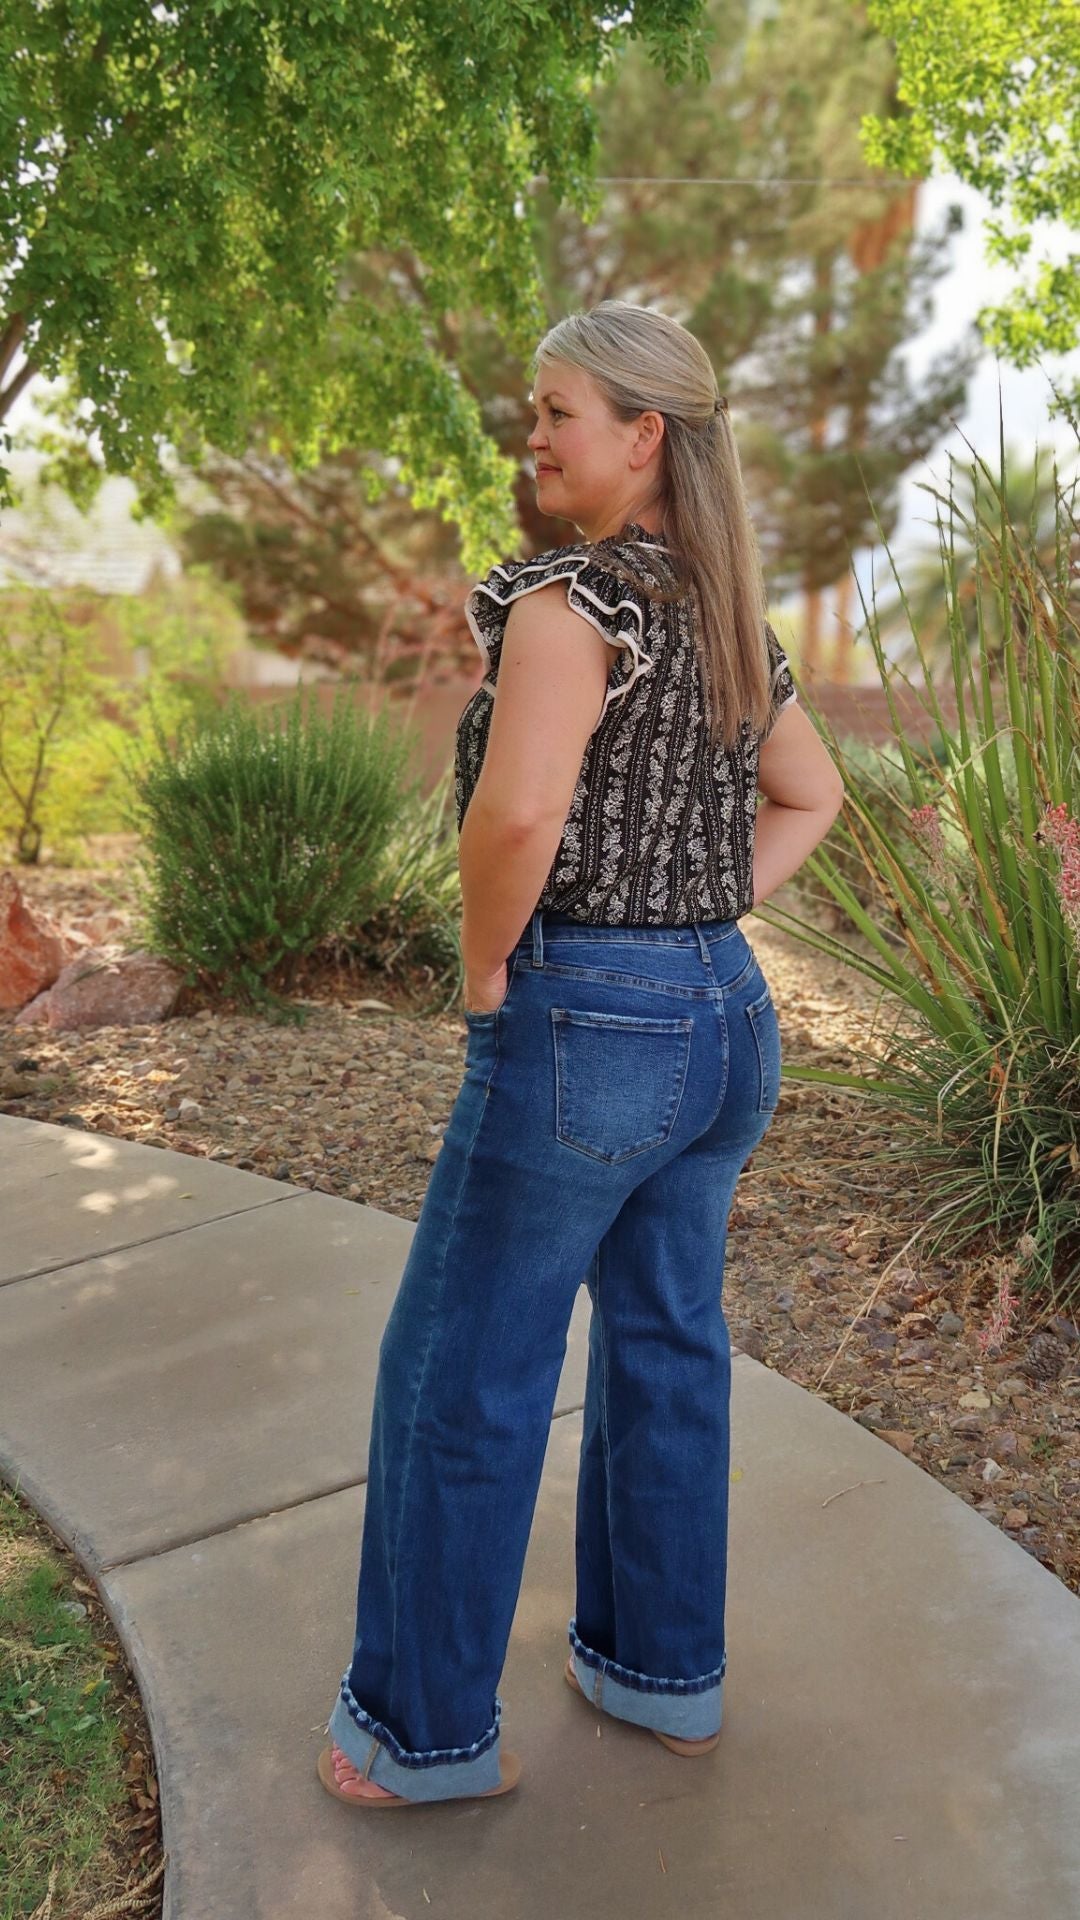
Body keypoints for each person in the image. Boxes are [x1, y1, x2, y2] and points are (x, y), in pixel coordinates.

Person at [318, 299, 845, 1809]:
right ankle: (660, 1678)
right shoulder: (726, 610)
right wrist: (699, 918)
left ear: (644, 436)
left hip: (583, 1024)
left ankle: (417, 1740)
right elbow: (808, 797)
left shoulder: (571, 605)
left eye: (557, 412)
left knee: (463, 1374)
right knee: (669, 1350)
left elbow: (518, 819)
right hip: (726, 1024)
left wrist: (488, 967)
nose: (531, 438)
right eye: (533, 411)